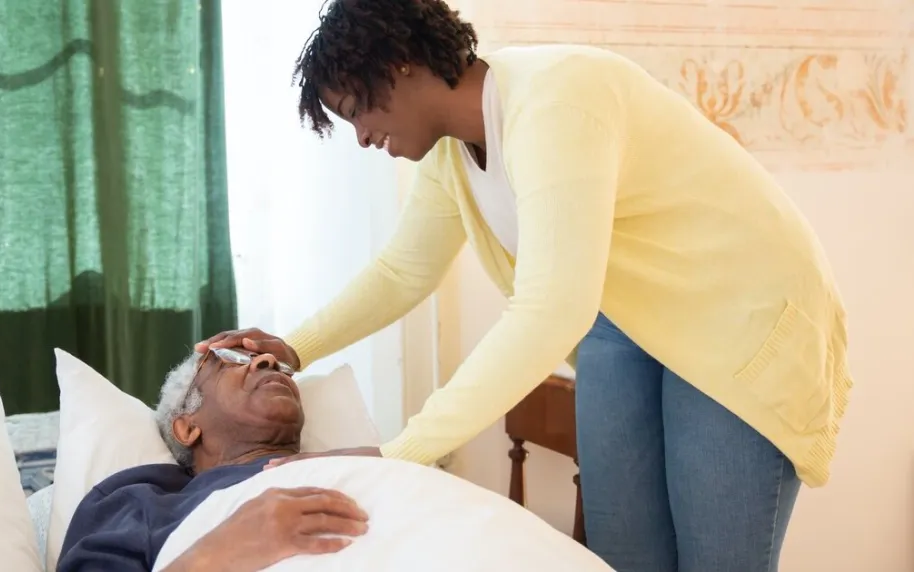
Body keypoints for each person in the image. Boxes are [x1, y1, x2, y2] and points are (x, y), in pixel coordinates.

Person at [195, 0, 854, 571]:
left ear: (398, 65)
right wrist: (294, 346)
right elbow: (403, 271)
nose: (364, 138)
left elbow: (549, 311)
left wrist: (402, 452)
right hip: (624, 323)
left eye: (356, 112)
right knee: (623, 558)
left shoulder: (557, 99)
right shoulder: (451, 151)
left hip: (741, 315)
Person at [56, 347, 369, 572]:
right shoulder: (143, 502)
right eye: (229, 361)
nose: (268, 360)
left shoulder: (372, 461)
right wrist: (214, 556)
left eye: (279, 367)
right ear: (188, 426)